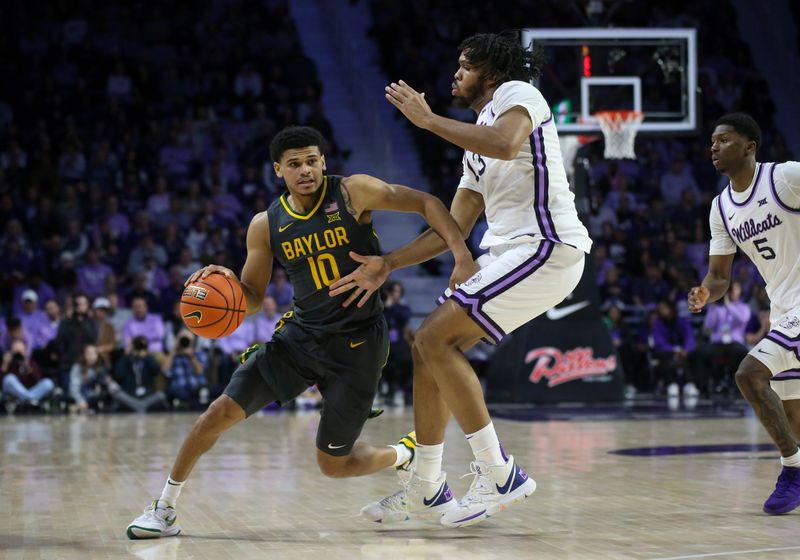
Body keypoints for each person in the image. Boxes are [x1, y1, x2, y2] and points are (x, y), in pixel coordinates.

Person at [126, 125, 476, 539]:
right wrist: (229, 286)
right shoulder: (266, 224)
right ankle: (165, 507)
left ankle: (405, 454)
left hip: (358, 344)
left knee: (333, 465)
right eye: (294, 164)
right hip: (300, 339)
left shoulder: (352, 192)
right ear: (279, 170)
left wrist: (459, 253)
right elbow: (252, 296)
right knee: (214, 416)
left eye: (312, 160)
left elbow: (427, 203)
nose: (305, 170)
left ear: (323, 162)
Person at [331, 31, 592, 527]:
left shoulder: (519, 96)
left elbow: (505, 142)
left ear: (490, 73)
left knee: (433, 338)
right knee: (427, 348)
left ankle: (500, 473)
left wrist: (427, 121)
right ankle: (427, 485)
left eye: (465, 66)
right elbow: (452, 227)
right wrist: (388, 263)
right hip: (510, 253)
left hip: (547, 246)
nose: (456, 73)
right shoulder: (474, 140)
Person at [688, 112, 800, 515]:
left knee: (749, 374)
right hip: (785, 306)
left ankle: (792, 472)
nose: (714, 147)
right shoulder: (721, 208)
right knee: (792, 412)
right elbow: (719, 276)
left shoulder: (784, 177)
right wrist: (706, 292)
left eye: (724, 140)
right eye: (712, 141)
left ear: (750, 146)